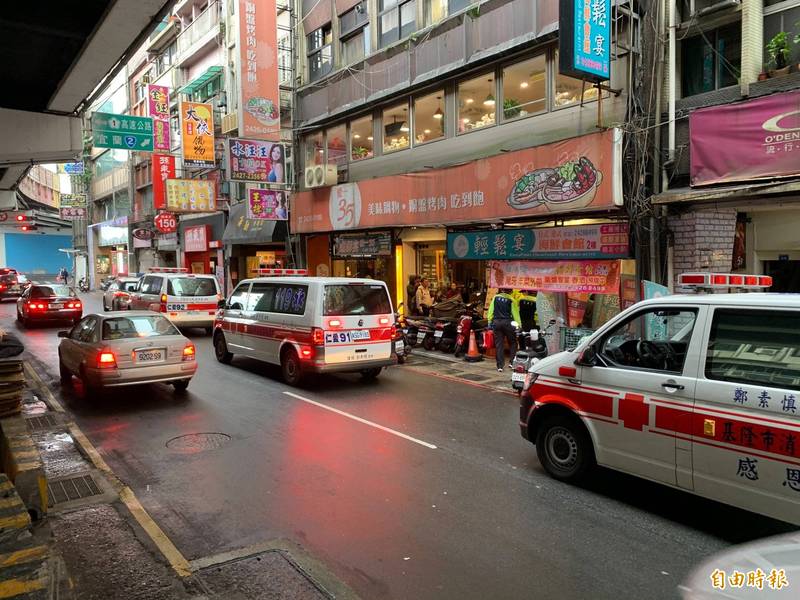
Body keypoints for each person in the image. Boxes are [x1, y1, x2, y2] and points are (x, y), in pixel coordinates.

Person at [487, 288, 521, 372]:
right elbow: (515, 314)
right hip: (508, 323)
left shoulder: (495, 297)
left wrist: (489, 321)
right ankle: (512, 362)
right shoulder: (511, 299)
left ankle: (500, 366)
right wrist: (519, 325)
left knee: (499, 344)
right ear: (511, 291)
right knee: (513, 342)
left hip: (496, 322)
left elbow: (491, 311)